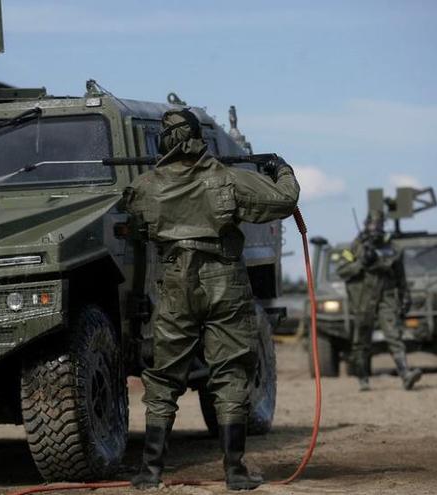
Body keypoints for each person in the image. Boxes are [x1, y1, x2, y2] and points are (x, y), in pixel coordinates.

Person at [122, 108, 299, 490]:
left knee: (164, 376)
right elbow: (285, 200)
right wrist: (278, 167)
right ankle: (234, 471)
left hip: (174, 284)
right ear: (199, 138)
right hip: (225, 281)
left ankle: (150, 472)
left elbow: (134, 217)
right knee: (231, 371)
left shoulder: (145, 186)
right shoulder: (229, 179)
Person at [336, 211, 423, 391]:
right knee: (361, 339)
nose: (375, 228)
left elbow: (401, 275)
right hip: (363, 298)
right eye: (372, 224)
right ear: (366, 224)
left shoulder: (391, 247)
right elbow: (342, 269)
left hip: (387, 295)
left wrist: (405, 296)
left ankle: (405, 374)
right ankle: (363, 378)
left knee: (394, 334)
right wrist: (361, 263)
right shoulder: (354, 246)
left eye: (379, 224)